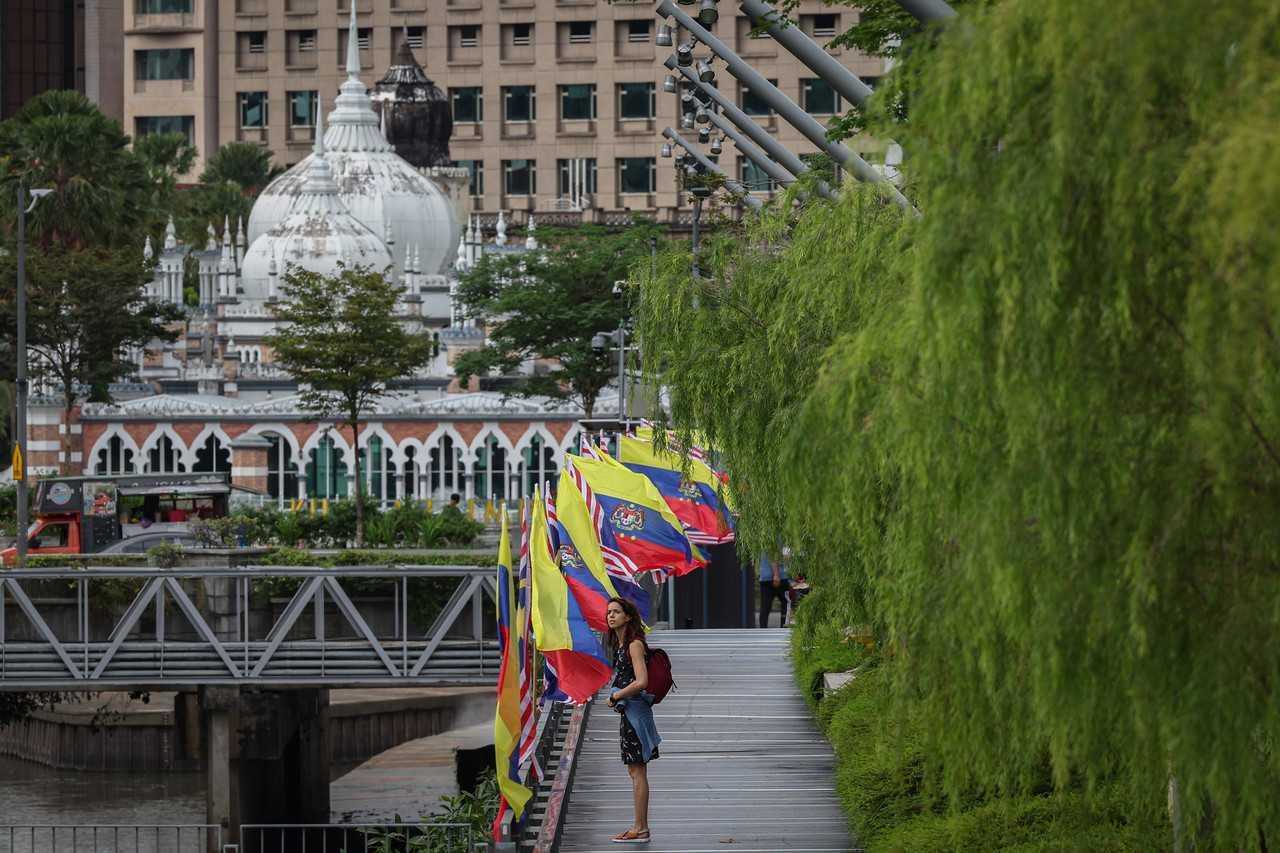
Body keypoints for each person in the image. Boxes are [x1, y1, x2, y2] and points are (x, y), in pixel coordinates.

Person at [605, 596, 660, 844]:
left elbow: (642, 681)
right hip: (629, 713)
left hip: (636, 714)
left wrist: (616, 695)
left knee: (638, 771)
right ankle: (640, 826)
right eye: (609, 612)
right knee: (634, 770)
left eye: (616, 612)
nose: (611, 616)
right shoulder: (620, 645)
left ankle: (640, 827)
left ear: (628, 616)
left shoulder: (634, 645)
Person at [759, 549, 790, 628]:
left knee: (765, 607)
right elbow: (773, 553)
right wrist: (776, 574)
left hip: (766, 576)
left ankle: (762, 631)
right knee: (786, 605)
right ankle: (784, 630)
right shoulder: (778, 538)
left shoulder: (763, 538)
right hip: (780, 577)